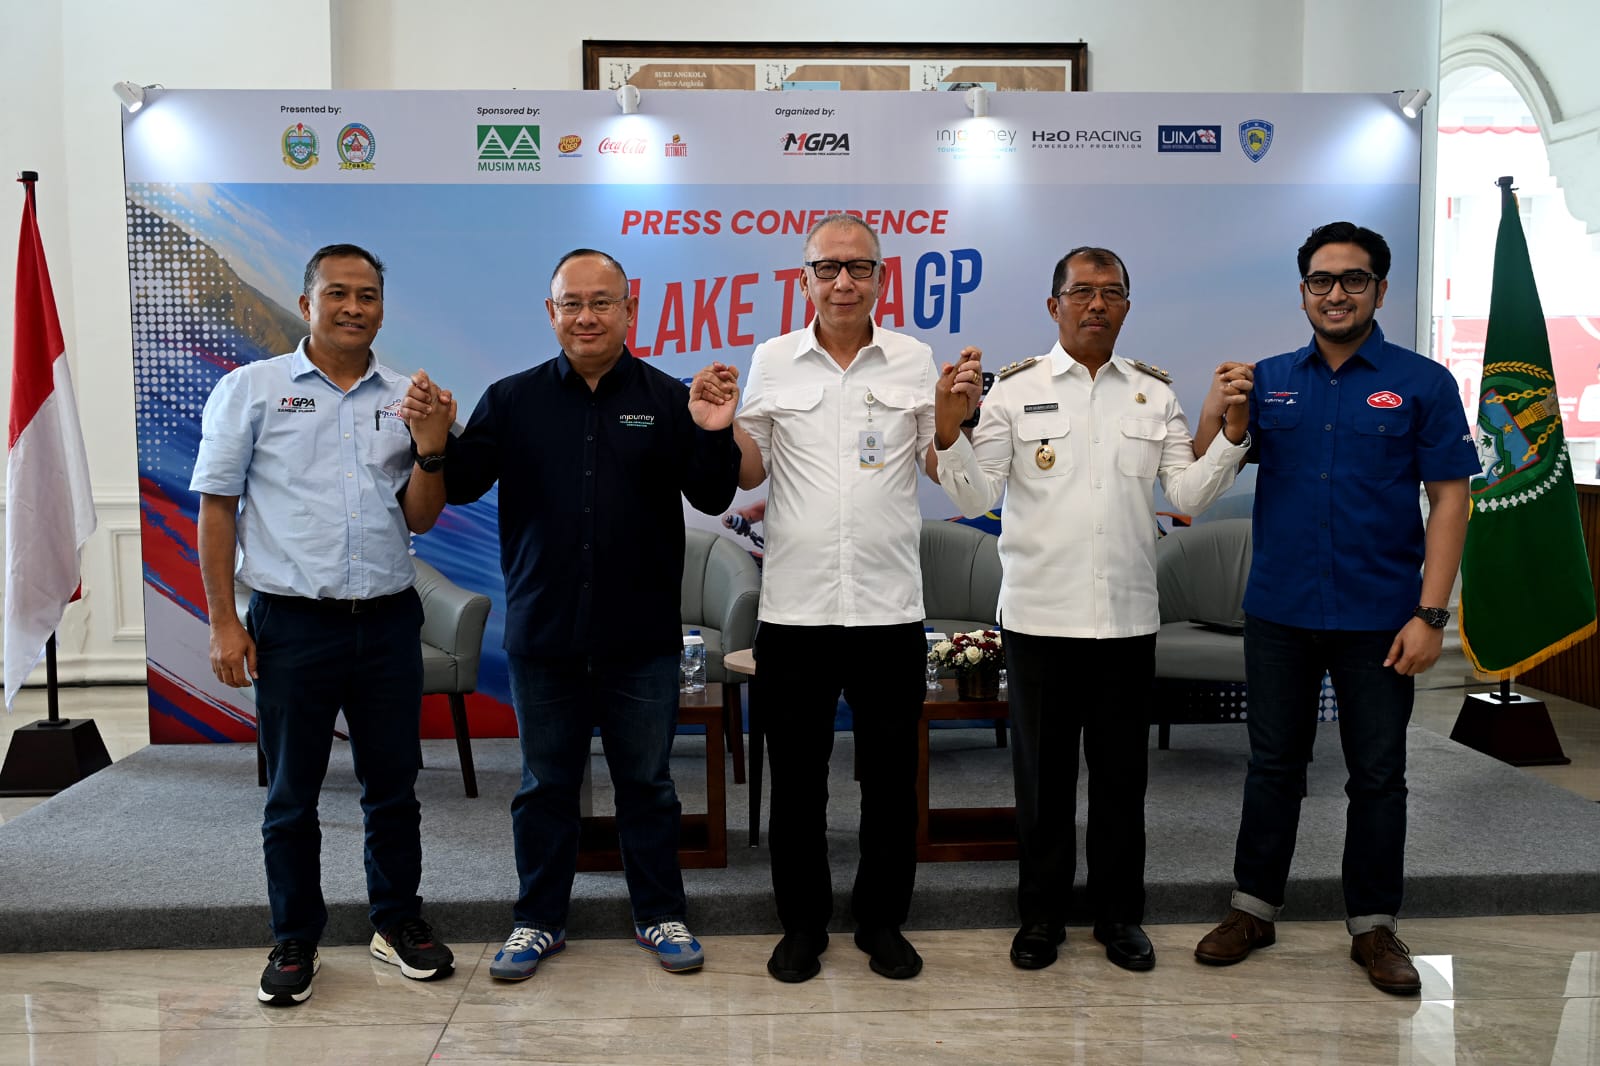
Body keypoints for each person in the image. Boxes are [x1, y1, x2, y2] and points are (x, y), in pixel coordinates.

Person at [410, 249, 741, 981]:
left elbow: (713, 496)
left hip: (642, 638)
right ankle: (537, 920)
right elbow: (461, 484)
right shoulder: (512, 399)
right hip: (545, 632)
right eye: (571, 303)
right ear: (551, 312)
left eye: (601, 302)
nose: (586, 317)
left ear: (630, 310)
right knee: (545, 788)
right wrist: (435, 440)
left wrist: (713, 430)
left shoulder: (668, 398)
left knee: (647, 786)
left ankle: (660, 913)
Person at [934, 247, 1251, 973]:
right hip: (1040, 619)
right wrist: (950, 431)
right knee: (1042, 783)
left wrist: (1232, 435)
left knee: (1121, 782)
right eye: (1081, 292)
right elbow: (976, 496)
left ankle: (1119, 917)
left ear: (1127, 307)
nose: (1096, 305)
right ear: (1054, 306)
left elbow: (1189, 494)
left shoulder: (1152, 393)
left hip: (1126, 620)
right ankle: (1040, 918)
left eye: (1111, 293)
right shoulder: (1014, 390)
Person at [1191, 221, 1478, 994]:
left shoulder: (1423, 383)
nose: (1337, 293)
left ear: (1379, 290)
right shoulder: (1268, 379)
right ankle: (1253, 909)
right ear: (1303, 293)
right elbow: (1197, 475)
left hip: (1382, 618)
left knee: (1378, 776)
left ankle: (1374, 927)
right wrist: (1216, 407)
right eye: (1322, 280)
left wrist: (1432, 615)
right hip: (1280, 612)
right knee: (1272, 767)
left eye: (1354, 279)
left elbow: (1452, 501)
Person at [192, 243, 459, 1006]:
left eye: (367, 295)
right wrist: (223, 622)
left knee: (393, 788)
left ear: (382, 308)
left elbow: (421, 519)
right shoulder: (251, 389)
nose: (353, 307)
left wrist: (432, 449)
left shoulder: (408, 397)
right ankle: (294, 939)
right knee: (292, 795)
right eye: (337, 293)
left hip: (387, 622)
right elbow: (217, 509)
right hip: (291, 625)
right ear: (308, 303)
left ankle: (397, 923)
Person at [733, 214, 977, 984]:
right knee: (797, 782)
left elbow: (945, 473)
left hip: (887, 609)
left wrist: (951, 425)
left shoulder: (913, 359)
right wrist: (717, 427)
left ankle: (881, 923)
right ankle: (802, 926)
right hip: (795, 612)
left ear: (881, 276)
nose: (844, 281)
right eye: (828, 268)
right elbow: (747, 473)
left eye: (859, 267)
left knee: (891, 783)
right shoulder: (773, 360)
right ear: (804, 279)